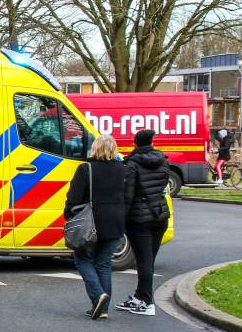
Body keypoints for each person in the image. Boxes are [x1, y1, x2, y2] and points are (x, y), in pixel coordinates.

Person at [64, 134, 127, 320]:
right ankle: (103, 308)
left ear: (95, 148)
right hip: (115, 222)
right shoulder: (122, 169)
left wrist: (68, 215)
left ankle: (97, 295)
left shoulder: (86, 169)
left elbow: (73, 197)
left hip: (91, 222)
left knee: (83, 259)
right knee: (104, 264)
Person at [117, 129, 171, 316]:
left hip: (139, 219)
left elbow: (128, 196)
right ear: (152, 142)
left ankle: (147, 303)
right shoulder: (162, 160)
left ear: (135, 143)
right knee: (149, 260)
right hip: (160, 215)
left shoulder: (132, 164)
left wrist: (121, 222)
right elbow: (163, 185)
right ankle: (140, 297)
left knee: (143, 261)